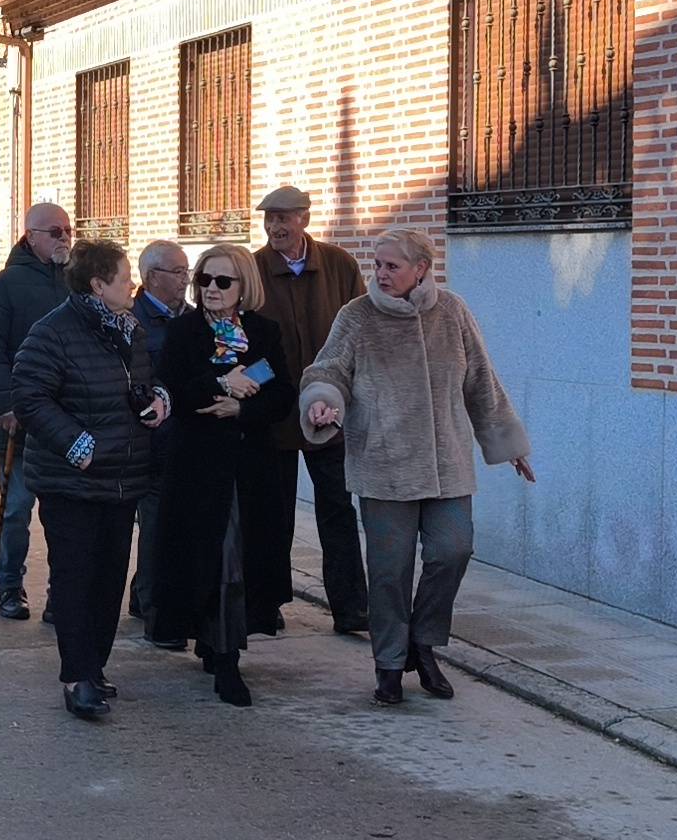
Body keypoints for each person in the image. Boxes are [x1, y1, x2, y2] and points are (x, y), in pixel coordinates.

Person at [300, 228, 535, 706]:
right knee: (389, 571)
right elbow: (327, 371)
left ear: (421, 269)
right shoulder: (357, 316)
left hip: (447, 464)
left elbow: (481, 379)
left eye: (392, 266)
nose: (381, 274)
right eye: (378, 265)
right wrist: (323, 404)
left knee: (454, 550)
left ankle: (423, 644)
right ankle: (389, 664)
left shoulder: (452, 311)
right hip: (384, 466)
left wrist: (507, 442)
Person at [11, 240, 169, 719]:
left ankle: (95, 667)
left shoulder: (130, 329)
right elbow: (30, 396)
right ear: (98, 285)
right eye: (124, 278)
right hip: (71, 481)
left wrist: (158, 400)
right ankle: (77, 676)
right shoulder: (53, 331)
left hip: (123, 478)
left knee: (109, 579)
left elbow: (145, 379)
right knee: (75, 580)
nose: (132, 285)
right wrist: (78, 444)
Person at [148, 244, 294, 707]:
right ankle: (222, 653)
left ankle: (222, 643)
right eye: (204, 281)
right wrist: (219, 385)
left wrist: (241, 408)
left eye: (222, 282)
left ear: (242, 287)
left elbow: (282, 394)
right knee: (214, 558)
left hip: (250, 468)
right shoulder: (184, 331)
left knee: (240, 558)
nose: (211, 289)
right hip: (197, 468)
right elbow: (173, 386)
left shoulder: (264, 333)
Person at [254, 185, 370, 634]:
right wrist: (266, 387)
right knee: (273, 513)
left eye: (283, 218)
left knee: (338, 510)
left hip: (329, 411)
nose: (275, 227)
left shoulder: (339, 264)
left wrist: (347, 391)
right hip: (275, 413)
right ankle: (268, 604)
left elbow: (358, 329)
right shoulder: (255, 268)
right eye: (269, 219)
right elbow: (242, 341)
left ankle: (350, 608)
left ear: (304, 217)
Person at [0, 202, 73, 622]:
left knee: (66, 515)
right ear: (31, 236)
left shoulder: (79, 283)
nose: (64, 238)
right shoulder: (5, 285)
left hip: (68, 421)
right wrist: (5, 405)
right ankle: (10, 585)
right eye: (55, 231)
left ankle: (61, 593)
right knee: (16, 511)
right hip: (21, 422)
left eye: (68, 230)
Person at [127, 240, 190, 621]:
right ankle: (153, 610)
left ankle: (144, 596)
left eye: (187, 272)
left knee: (169, 526)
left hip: (184, 438)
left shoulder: (193, 317)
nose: (186, 280)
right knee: (154, 526)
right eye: (178, 272)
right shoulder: (133, 320)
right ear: (151, 277)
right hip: (148, 439)